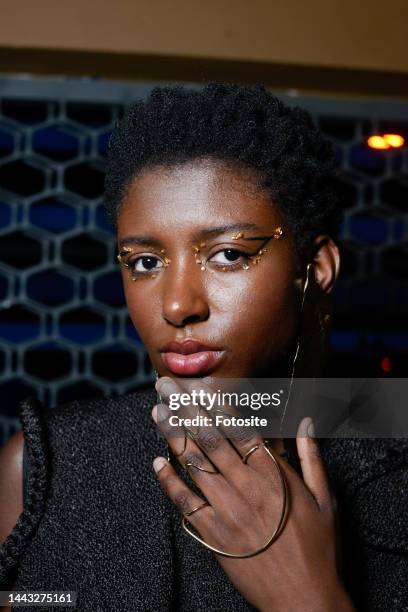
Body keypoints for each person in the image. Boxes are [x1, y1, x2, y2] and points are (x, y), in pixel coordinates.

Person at [0, 82, 407, 611]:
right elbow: (32, 600)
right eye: (145, 262)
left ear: (316, 268)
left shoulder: (393, 455)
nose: (177, 305)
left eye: (229, 255)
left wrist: (308, 597)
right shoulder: (45, 466)